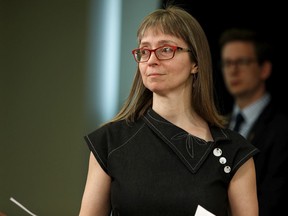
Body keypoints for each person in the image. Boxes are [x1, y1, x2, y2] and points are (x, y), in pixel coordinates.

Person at [79, 6, 259, 216]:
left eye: (166, 49)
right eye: (144, 51)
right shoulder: (109, 142)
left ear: (195, 63)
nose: (152, 60)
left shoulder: (235, 153)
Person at [219, 28, 288, 216]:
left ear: (264, 69)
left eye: (241, 62)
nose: (233, 70)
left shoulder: (283, 129)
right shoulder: (216, 125)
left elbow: (274, 199)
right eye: (227, 63)